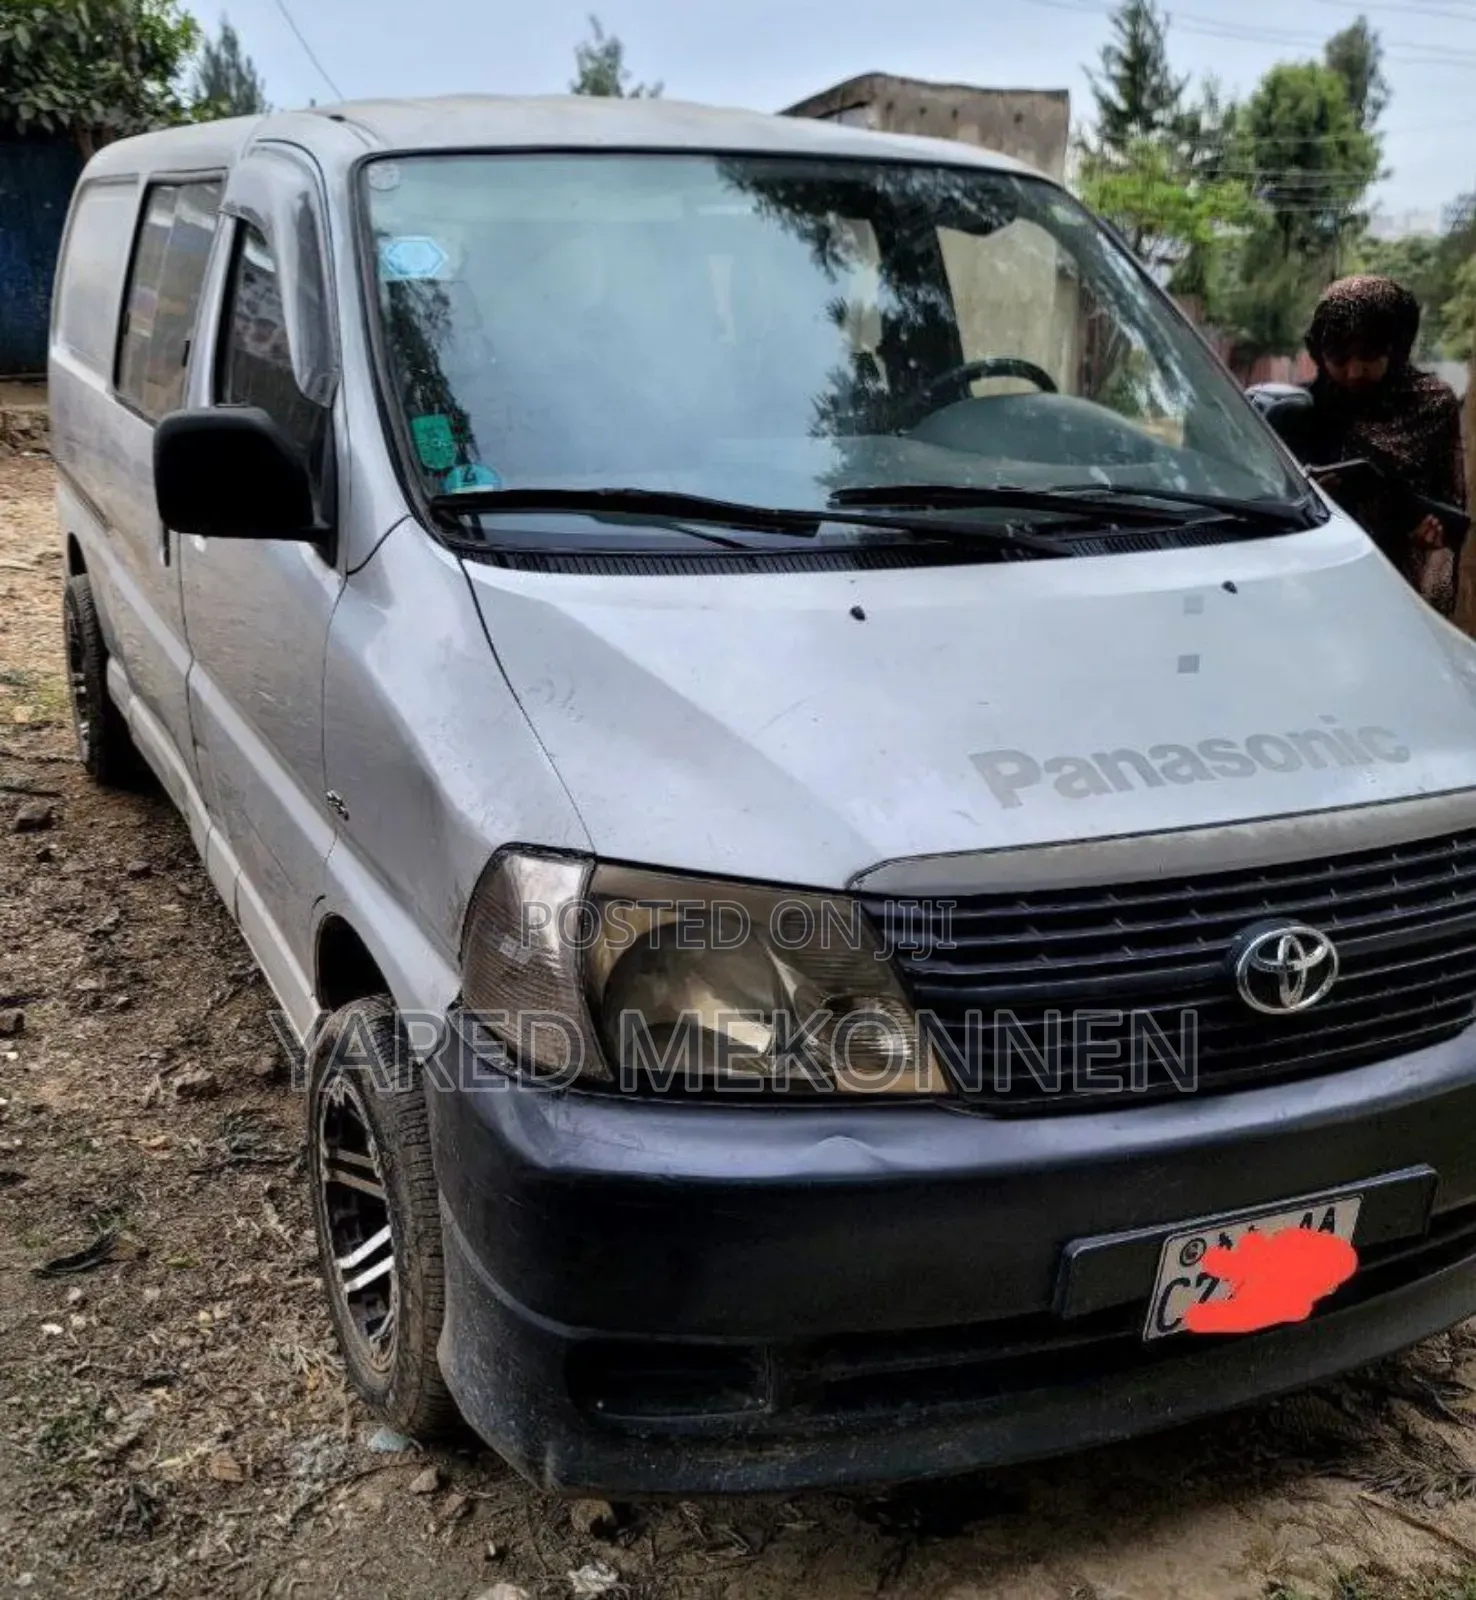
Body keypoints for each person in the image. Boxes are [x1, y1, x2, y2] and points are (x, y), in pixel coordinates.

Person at [1294, 274, 1467, 617]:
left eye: (1369, 355)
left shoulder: (1431, 404)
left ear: (1396, 346)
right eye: (1339, 358)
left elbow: (1449, 504)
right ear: (1318, 351)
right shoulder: (1302, 409)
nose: (1354, 371)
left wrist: (1428, 538)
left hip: (1402, 584)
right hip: (1319, 580)